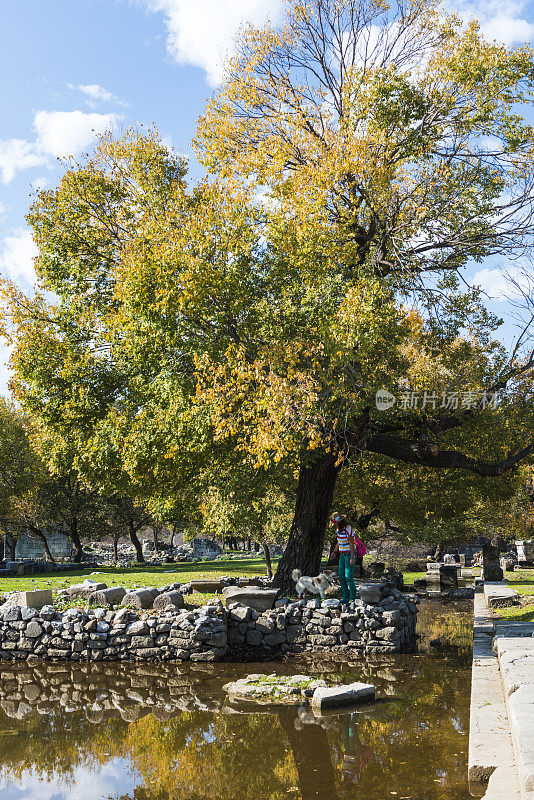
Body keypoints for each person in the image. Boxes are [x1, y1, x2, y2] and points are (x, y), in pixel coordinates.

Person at [331, 516, 357, 603]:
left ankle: (352, 598)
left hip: (349, 554)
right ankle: (345, 597)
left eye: (336, 523)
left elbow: (351, 543)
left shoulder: (348, 528)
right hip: (342, 555)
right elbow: (339, 541)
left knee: (348, 577)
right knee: (341, 577)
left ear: (340, 522)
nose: (335, 525)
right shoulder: (338, 529)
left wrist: (352, 557)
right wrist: (334, 552)